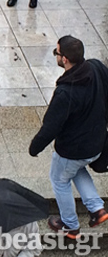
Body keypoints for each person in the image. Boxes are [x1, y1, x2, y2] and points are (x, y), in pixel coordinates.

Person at [29, 36, 108, 239]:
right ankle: (97, 209)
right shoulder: (96, 67)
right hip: (97, 143)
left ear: (64, 59)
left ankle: (70, 225)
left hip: (73, 149)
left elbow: (51, 127)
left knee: (59, 179)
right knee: (75, 170)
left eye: (56, 52)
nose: (55, 55)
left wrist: (35, 147)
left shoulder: (65, 92)